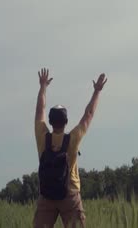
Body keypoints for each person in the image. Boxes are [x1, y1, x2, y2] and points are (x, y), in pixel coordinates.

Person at [33, 68, 108, 228]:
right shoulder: (73, 138)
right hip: (70, 195)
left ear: (51, 122)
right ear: (66, 122)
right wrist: (96, 92)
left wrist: (43, 87)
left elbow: (40, 110)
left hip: (46, 196)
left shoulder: (42, 135)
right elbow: (89, 115)